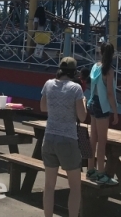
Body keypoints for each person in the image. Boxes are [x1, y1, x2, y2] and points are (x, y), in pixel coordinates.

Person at [40, 57, 87, 217]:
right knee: (75, 187)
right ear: (74, 72)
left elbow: (43, 106)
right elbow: (82, 117)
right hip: (67, 139)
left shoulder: (48, 84)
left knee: (49, 186)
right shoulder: (76, 89)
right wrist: (84, 103)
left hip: (49, 137)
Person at [86, 41, 119, 185]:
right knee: (102, 141)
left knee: (93, 138)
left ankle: (90, 169)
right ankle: (100, 173)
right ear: (112, 54)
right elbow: (110, 93)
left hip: (92, 101)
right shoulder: (109, 70)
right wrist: (116, 112)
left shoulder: (95, 66)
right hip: (102, 105)